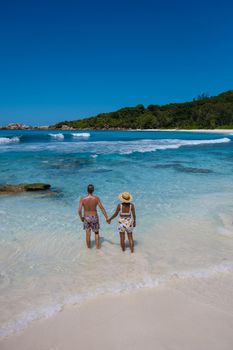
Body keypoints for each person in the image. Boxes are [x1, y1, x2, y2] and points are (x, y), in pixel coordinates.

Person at [78, 184, 108, 249]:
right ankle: (98, 248)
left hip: (86, 217)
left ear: (87, 190)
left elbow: (79, 210)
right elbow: (102, 208)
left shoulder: (82, 199)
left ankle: (89, 249)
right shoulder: (96, 198)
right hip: (94, 217)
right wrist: (106, 217)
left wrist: (81, 218)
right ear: (93, 190)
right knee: (96, 233)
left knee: (88, 234)